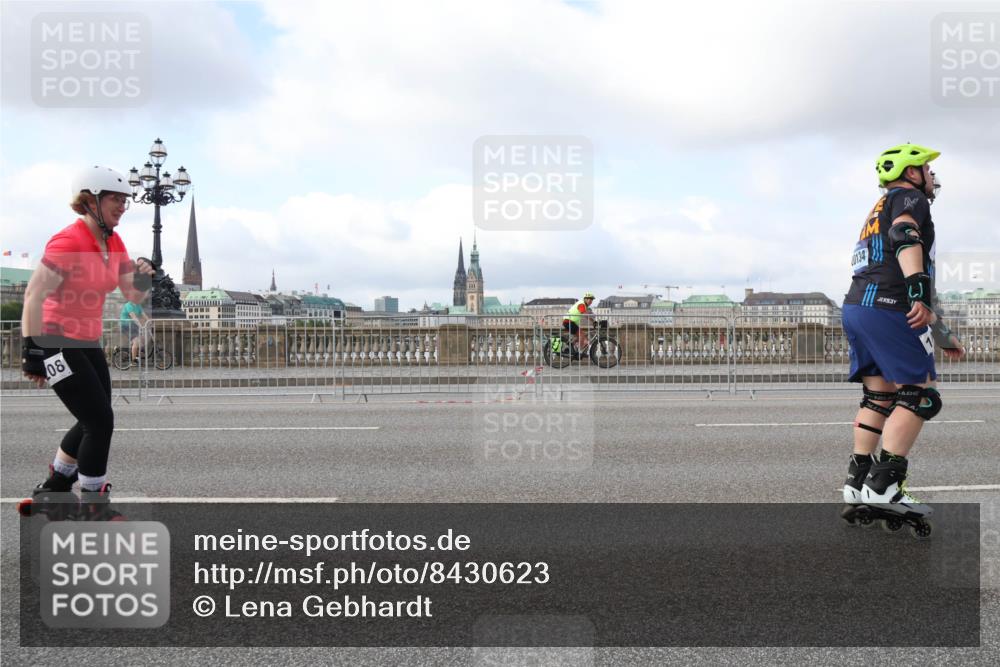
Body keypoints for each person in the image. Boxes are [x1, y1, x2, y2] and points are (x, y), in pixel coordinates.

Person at [18, 166, 155, 518]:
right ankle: (94, 504)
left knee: (94, 415)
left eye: (126, 200)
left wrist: (142, 277)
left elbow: (131, 295)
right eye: (115, 198)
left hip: (87, 340)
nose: (123, 205)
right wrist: (32, 353)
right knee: (99, 422)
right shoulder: (68, 241)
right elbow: (34, 295)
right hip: (54, 339)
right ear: (90, 200)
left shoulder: (114, 242)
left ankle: (55, 486)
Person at [841, 144, 965, 519]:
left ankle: (857, 482)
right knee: (921, 396)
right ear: (912, 172)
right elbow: (905, 236)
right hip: (890, 306)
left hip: (857, 306)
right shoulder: (910, 198)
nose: (932, 177)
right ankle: (885, 487)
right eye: (927, 169)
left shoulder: (877, 207)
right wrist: (916, 291)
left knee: (879, 397)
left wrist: (941, 333)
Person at [120, 298, 149, 363]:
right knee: (136, 341)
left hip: (133, 326)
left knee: (142, 339)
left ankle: (134, 352)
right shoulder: (128, 305)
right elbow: (133, 317)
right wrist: (140, 325)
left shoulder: (138, 305)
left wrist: (150, 322)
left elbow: (144, 315)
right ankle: (133, 361)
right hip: (126, 326)